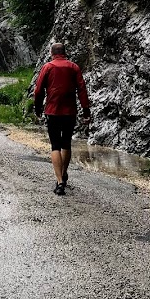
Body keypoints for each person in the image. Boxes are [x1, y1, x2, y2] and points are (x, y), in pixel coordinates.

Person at [34, 41, 91, 196]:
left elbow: (38, 90)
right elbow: (82, 90)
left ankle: (59, 182)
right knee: (66, 143)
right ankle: (64, 174)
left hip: (52, 111)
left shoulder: (48, 67)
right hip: (70, 112)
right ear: (65, 53)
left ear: (52, 53)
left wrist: (37, 109)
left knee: (55, 146)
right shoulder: (74, 67)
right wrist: (86, 111)